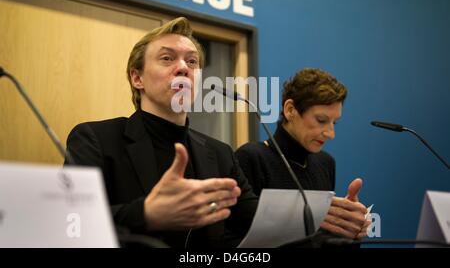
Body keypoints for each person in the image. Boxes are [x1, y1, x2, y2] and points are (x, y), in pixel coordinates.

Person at [65, 17, 258, 248]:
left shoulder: (221, 154)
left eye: (192, 62)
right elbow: (71, 222)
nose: (183, 68)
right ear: (137, 78)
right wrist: (146, 214)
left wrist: (308, 220)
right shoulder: (95, 139)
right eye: (167, 58)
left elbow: (257, 225)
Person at [235, 68, 371, 241]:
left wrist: (347, 230)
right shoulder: (251, 157)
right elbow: (236, 241)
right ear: (290, 109)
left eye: (334, 123)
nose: (331, 134)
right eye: (321, 120)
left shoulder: (325, 163)